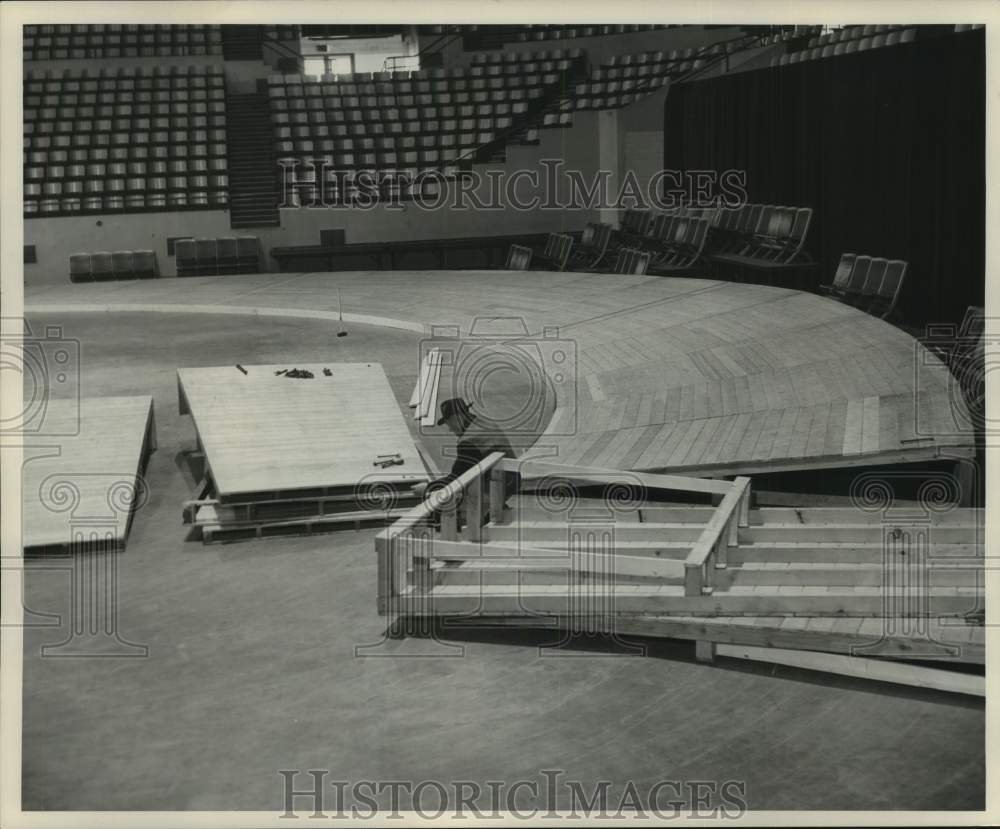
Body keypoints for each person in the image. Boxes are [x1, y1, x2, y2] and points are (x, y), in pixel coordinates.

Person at [412, 397, 520, 524]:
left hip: (496, 484)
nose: (450, 429)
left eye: (449, 424)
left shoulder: (469, 441)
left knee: (442, 512)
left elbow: (458, 479)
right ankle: (493, 509)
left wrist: (428, 487)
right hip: (512, 479)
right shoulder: (484, 423)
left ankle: (480, 523)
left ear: (456, 417)